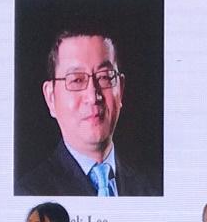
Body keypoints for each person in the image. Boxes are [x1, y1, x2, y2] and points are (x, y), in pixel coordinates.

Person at [15, 29, 160, 196]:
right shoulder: (30, 195)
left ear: (120, 89)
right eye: (77, 80)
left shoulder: (154, 187)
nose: (93, 97)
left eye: (104, 77)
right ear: (51, 97)